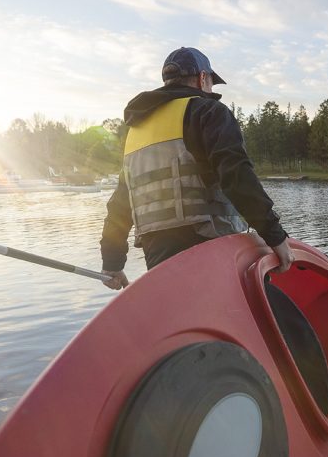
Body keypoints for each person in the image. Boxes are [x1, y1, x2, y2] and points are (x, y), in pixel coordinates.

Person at [99, 46, 293, 290]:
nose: (211, 89)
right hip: (210, 247)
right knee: (277, 318)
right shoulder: (208, 111)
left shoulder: (137, 132)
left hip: (159, 255)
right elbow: (237, 176)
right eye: (211, 82)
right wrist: (275, 237)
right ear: (203, 78)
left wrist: (113, 262)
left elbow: (119, 204)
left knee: (183, 318)